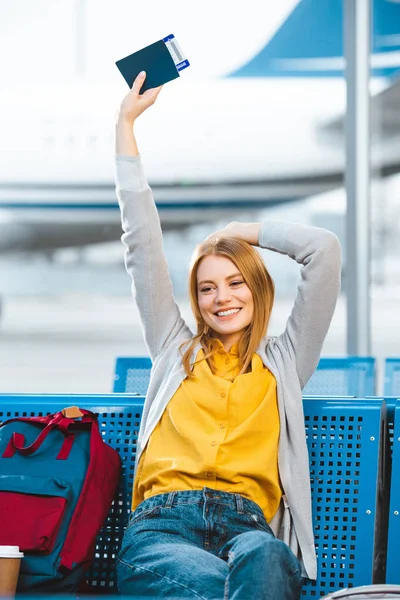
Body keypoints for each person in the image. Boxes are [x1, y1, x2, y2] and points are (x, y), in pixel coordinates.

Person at [114, 71, 342, 600]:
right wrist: (125, 125)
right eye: (207, 288)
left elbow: (323, 250)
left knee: (265, 559)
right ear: (195, 300)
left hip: (249, 530)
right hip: (162, 530)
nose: (223, 298)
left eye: (236, 282)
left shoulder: (285, 361)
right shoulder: (174, 349)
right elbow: (141, 240)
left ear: (258, 288)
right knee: (239, 586)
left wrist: (244, 233)